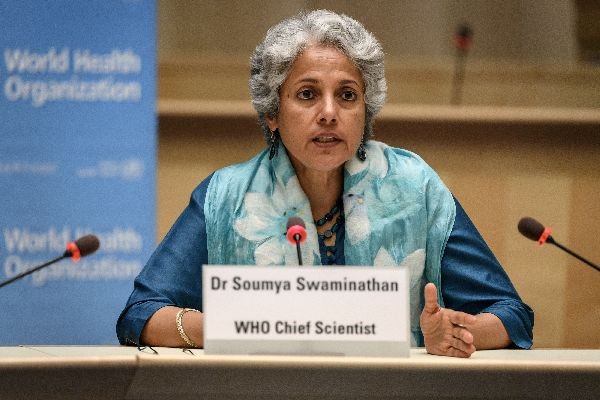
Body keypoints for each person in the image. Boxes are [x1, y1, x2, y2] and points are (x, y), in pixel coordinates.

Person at [117, 9, 533, 358]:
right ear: (272, 114)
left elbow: (511, 315)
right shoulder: (227, 196)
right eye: (307, 94)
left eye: (348, 95)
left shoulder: (415, 188)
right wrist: (237, 326)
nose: (329, 113)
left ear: (365, 112)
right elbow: (141, 315)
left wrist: (456, 334)